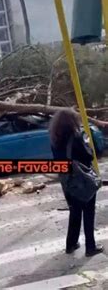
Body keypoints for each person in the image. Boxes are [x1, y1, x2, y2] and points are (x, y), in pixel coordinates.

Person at [49, 109, 104, 257]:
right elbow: (89, 156)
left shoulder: (55, 139)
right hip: (82, 180)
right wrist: (86, 142)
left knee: (74, 211)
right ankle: (90, 247)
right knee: (88, 212)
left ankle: (71, 244)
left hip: (66, 180)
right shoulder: (77, 137)